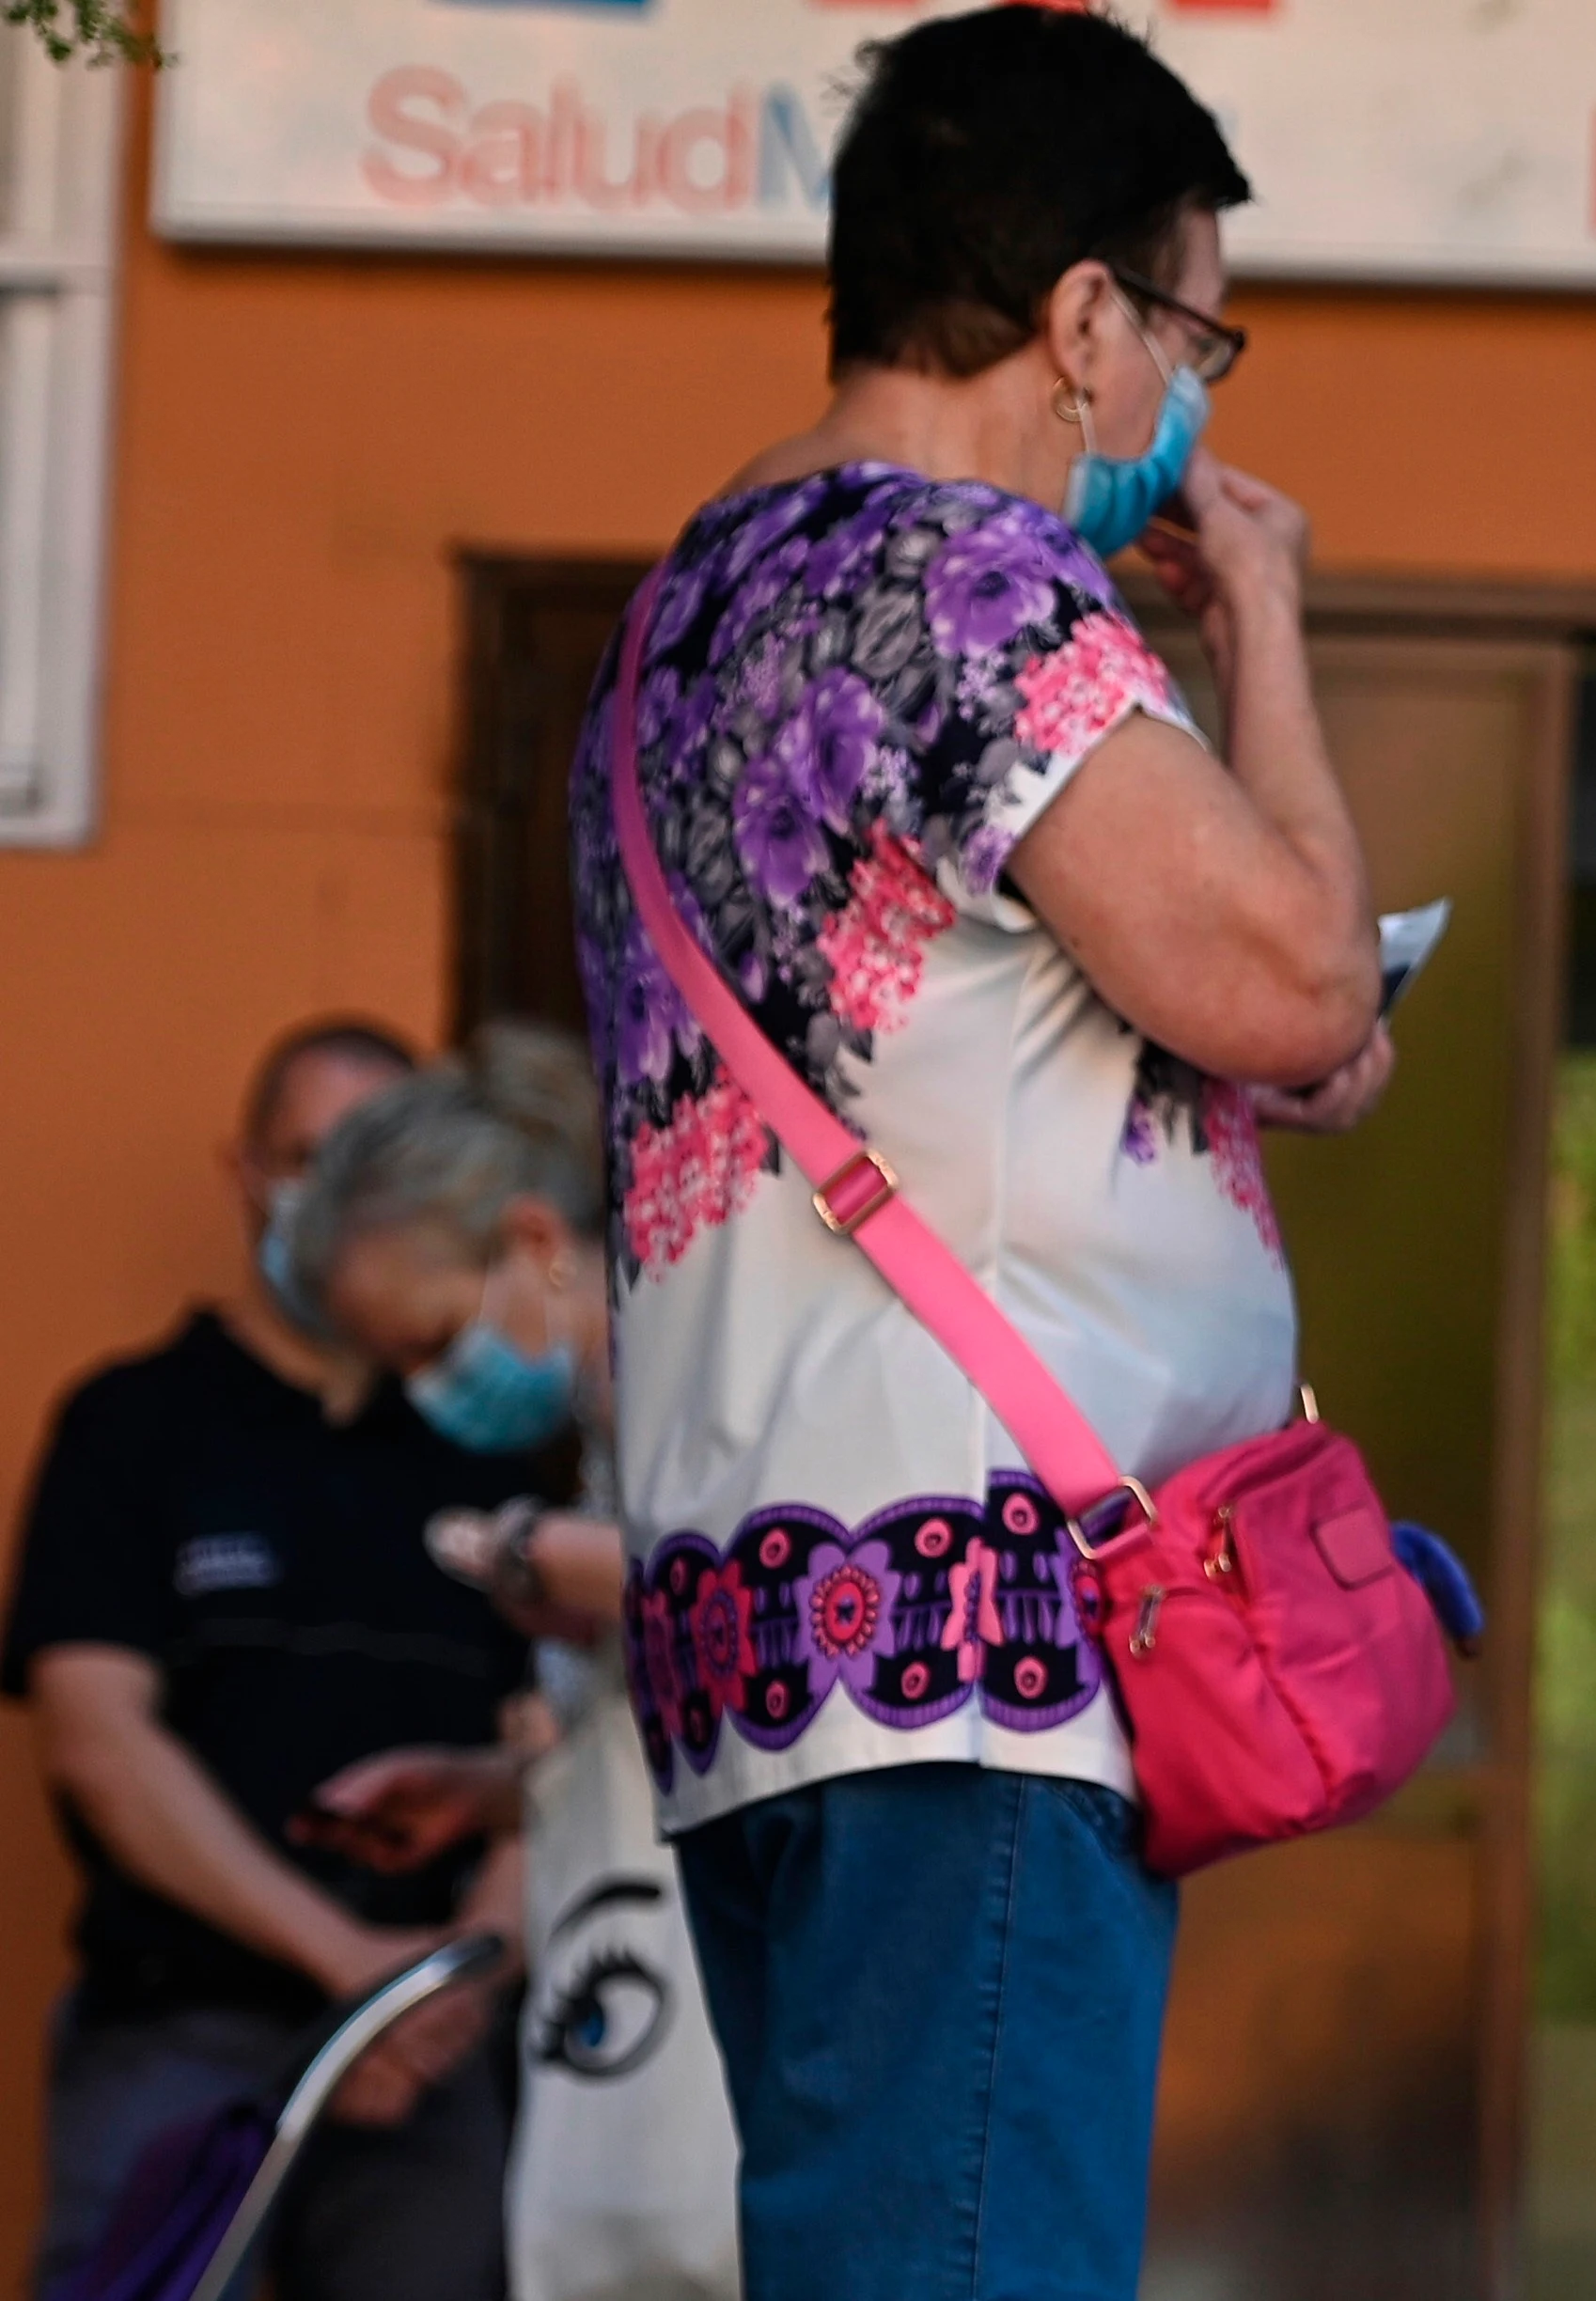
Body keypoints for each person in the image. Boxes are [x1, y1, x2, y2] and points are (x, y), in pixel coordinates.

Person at [569, 11, 1391, 2296]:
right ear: (1083, 315)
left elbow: (967, 1024)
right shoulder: (966, 581)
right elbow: (1301, 982)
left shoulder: (675, 620)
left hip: (761, 1624)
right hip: (977, 1637)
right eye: (1191, 328)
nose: (1177, 399)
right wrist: (1272, 627)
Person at [5, 1016, 541, 2301]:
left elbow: (559, 1750)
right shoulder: (132, 1427)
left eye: (378, 1167)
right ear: (245, 1171)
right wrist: (342, 1971)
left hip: (440, 2045)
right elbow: (97, 1744)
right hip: (180, 2036)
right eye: (311, 1160)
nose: (341, 1204)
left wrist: (457, 1972)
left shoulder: (493, 1448)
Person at [281, 1023, 743, 2301]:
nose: (435, 1395)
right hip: (620, 2012)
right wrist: (491, 1788)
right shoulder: (605, 1428)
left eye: (433, 1345)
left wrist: (557, 1560)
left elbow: (785, 1595)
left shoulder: (714, 1366)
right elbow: (632, 1732)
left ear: (538, 1242)